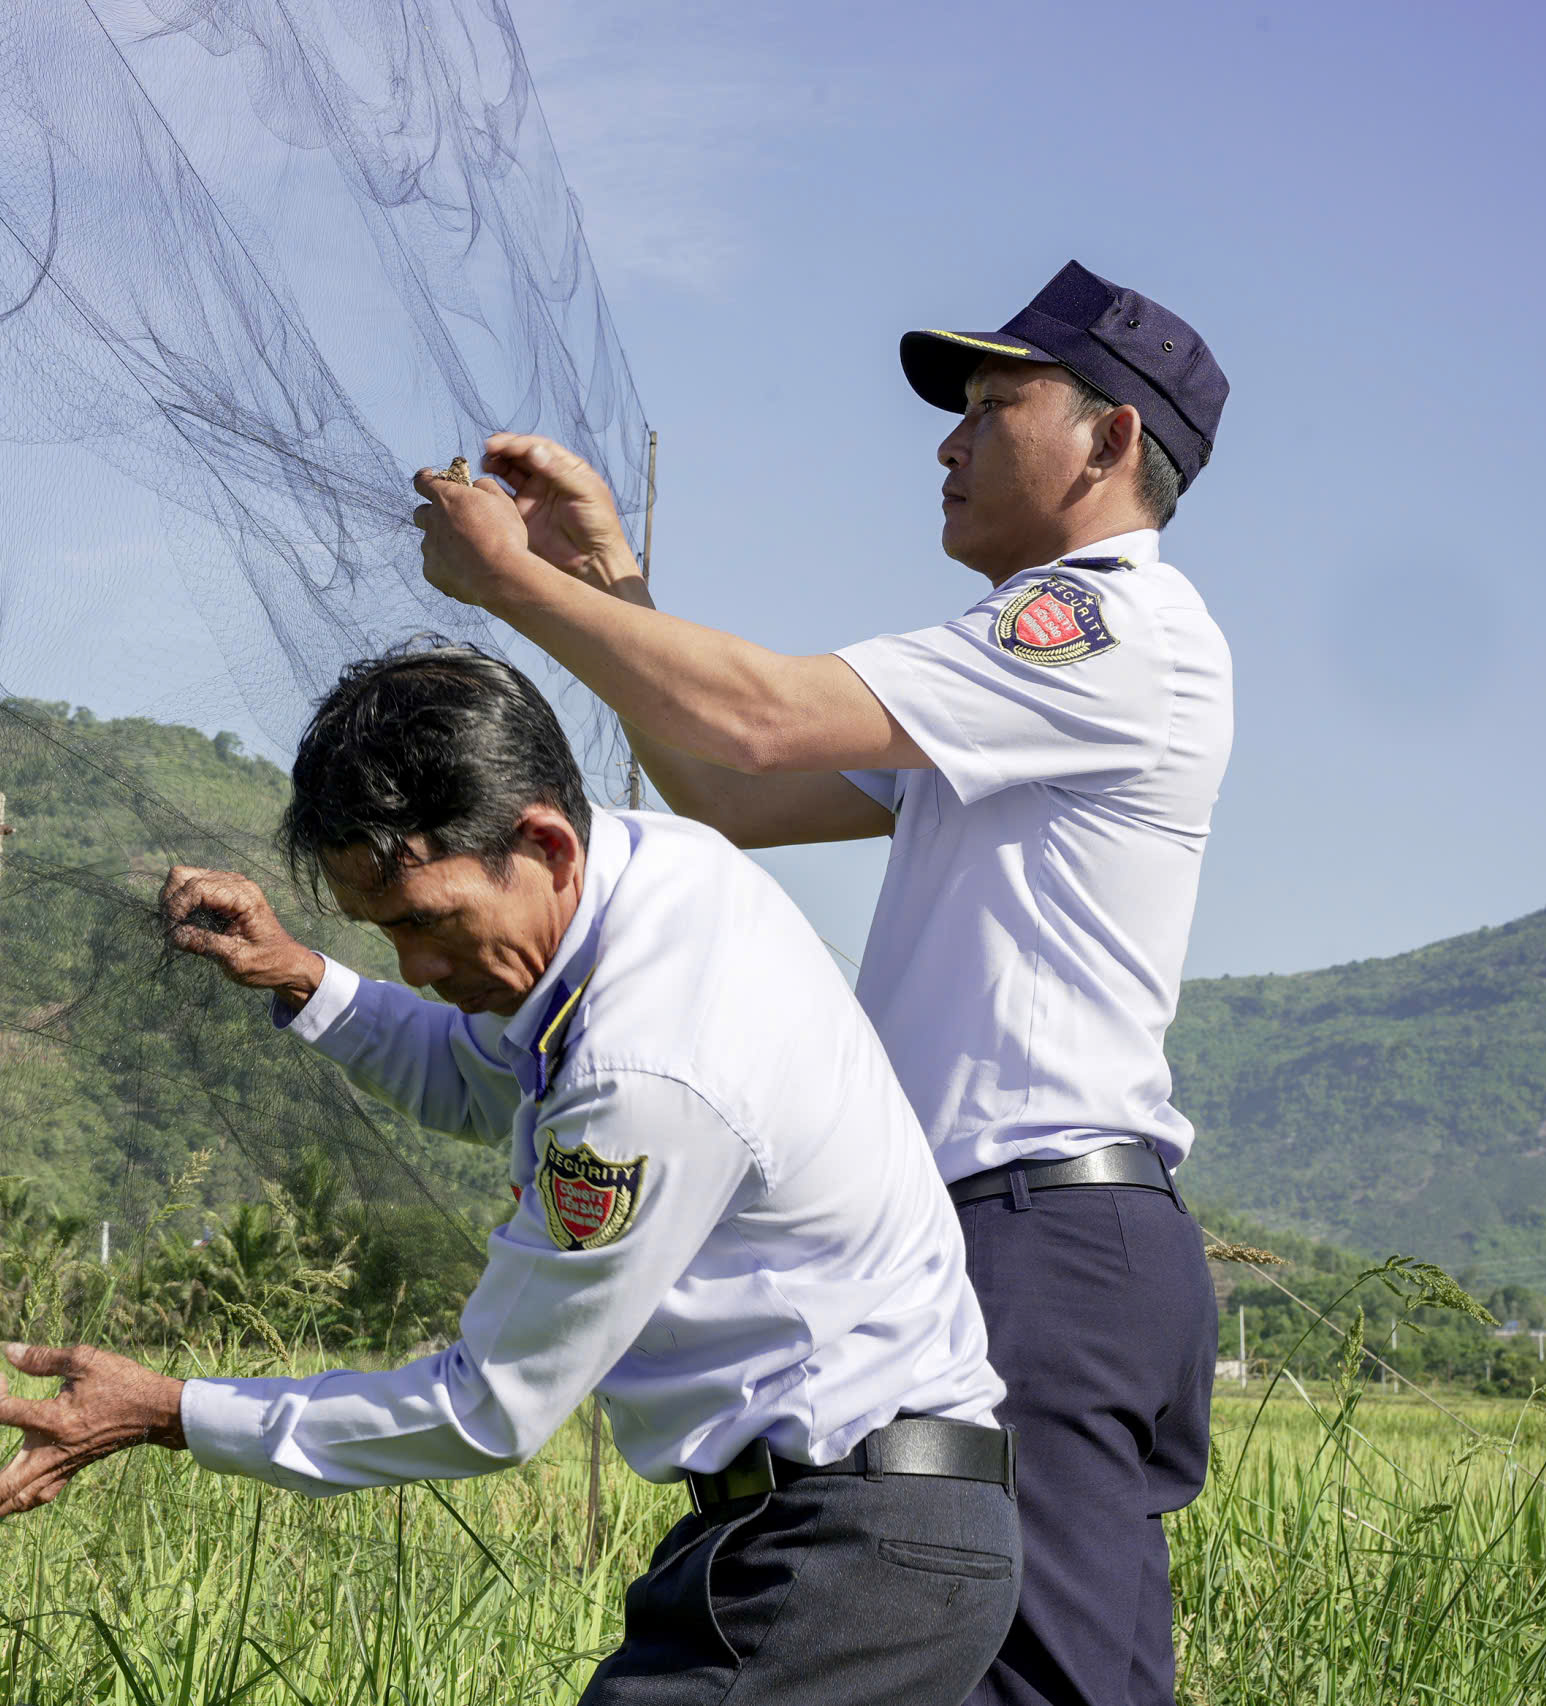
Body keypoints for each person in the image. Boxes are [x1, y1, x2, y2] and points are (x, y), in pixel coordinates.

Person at [408, 260, 1232, 1706]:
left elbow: (760, 709)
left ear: (1110, 441)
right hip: (1009, 1225)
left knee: (1047, 1684)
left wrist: (518, 585)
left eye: (995, 404)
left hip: (1038, 1221)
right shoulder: (1023, 673)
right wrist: (610, 587)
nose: (950, 440)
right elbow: (735, 786)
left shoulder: (1107, 630)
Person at [0, 642, 1020, 1704]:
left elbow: (489, 1406)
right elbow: (480, 1074)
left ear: (541, 839)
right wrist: (307, 977)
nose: (415, 963)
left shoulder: (645, 1064)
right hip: (837, 1531)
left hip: (846, 1549)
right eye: (379, 928)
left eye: (426, 920)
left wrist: (175, 1409)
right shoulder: (656, 875)